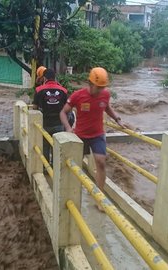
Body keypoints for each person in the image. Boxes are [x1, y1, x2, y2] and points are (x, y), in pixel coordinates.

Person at [59, 67, 125, 210]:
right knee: (74, 165)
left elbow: (107, 108)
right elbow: (63, 113)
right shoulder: (78, 96)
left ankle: (99, 198)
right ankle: (70, 193)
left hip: (97, 135)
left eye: (103, 87)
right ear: (90, 83)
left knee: (101, 162)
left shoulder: (105, 95)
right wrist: (68, 128)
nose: (101, 90)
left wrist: (117, 119)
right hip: (80, 135)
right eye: (98, 87)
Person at [33, 68, 68, 163]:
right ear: (55, 77)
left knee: (45, 146)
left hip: (45, 123)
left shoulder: (39, 90)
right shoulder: (63, 91)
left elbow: (34, 107)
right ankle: (56, 168)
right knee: (57, 146)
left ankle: (46, 166)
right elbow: (67, 108)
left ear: (44, 78)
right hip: (59, 123)